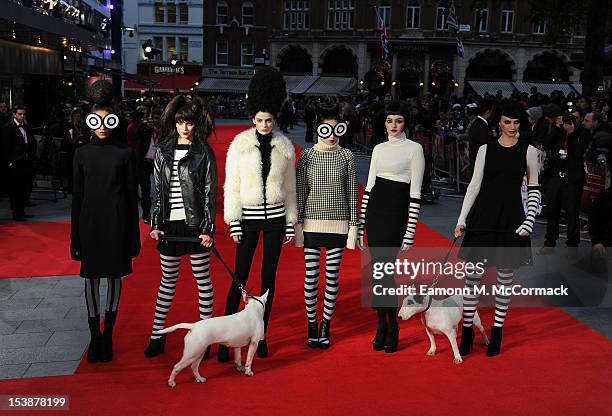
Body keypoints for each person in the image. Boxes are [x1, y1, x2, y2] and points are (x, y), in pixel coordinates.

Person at [218, 66, 297, 362]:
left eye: (269, 120)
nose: (264, 124)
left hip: (276, 220)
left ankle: (259, 334)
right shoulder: (238, 145)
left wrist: (290, 223)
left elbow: (290, 189)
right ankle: (226, 336)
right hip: (248, 219)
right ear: (252, 119)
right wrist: (234, 221)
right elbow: (232, 186)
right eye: (260, 120)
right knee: (239, 276)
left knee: (268, 279)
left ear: (275, 119)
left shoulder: (285, 147)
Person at [454, 101, 541, 357]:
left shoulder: (529, 151)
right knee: (472, 280)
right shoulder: (485, 149)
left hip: (512, 219)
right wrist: (461, 219)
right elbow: (474, 185)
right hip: (483, 218)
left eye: (516, 123)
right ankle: (467, 331)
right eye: (507, 122)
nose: (512, 127)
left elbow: (534, 189)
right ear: (498, 123)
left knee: (505, 280)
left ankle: (497, 332)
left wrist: (530, 220)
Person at [70, 81, 141, 363]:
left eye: (106, 119)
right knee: (90, 279)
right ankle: (94, 335)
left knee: (113, 277)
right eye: (95, 119)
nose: (101, 125)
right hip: (89, 224)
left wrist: (134, 237)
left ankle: (108, 333)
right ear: (89, 120)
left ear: (114, 119)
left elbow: (130, 196)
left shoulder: (124, 153)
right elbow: (77, 196)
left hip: (117, 223)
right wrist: (74, 237)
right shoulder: (81, 154)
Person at [144, 96, 217, 358]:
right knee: (167, 282)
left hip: (195, 224)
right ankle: (156, 336)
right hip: (169, 226)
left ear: (196, 124)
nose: (185, 127)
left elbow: (209, 193)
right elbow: (157, 192)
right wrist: (155, 223)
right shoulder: (163, 150)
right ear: (174, 123)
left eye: (189, 122)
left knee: (203, 282)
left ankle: (205, 341)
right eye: (180, 122)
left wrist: (208, 228)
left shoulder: (203, 151)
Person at [358, 101, 425, 353]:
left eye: (398, 121)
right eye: (389, 121)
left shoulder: (414, 149)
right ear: (384, 123)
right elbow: (370, 185)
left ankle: (391, 326)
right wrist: (362, 220)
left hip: (396, 214)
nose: (393, 126)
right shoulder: (378, 148)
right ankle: (382, 324)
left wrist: (410, 230)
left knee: (385, 272)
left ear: (405, 122)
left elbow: (416, 193)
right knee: (378, 273)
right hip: (375, 212)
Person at [295, 103, 359, 349]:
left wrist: (354, 225)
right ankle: (311, 323)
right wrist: (298, 222)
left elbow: (352, 192)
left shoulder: (347, 156)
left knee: (332, 278)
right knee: (311, 277)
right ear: (318, 128)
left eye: (336, 129)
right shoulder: (308, 155)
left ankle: (325, 324)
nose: (332, 134)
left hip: (338, 223)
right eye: (327, 129)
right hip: (311, 223)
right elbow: (301, 190)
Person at [538, 113, 589, 259]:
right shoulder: (559, 132)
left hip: (572, 180)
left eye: (574, 119)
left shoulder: (583, 134)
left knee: (572, 212)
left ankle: (572, 246)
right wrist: (556, 127)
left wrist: (572, 133)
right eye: (567, 119)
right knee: (552, 210)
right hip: (555, 177)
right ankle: (549, 243)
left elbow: (579, 152)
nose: (569, 122)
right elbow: (547, 145)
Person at [2, 105, 36, 221]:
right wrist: (10, 162)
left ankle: (22, 211)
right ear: (14, 115)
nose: (22, 116)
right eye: (20, 114)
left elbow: (31, 143)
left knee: (24, 187)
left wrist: (32, 158)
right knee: (16, 189)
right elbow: (5, 148)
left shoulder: (26, 126)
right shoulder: (8, 128)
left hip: (27, 162)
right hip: (16, 164)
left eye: (24, 114)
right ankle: (16, 213)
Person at [468, 99, 494, 171]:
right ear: (488, 111)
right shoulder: (482, 126)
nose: (492, 113)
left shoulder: (476, 123)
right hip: (480, 162)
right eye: (492, 111)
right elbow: (485, 144)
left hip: (475, 160)